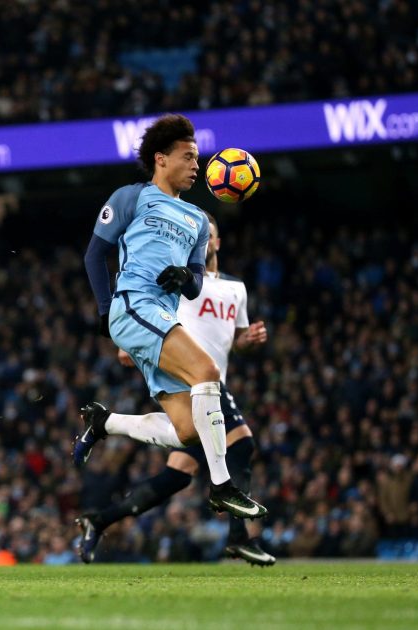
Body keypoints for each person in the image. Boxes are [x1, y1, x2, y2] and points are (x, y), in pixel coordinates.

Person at [79, 113, 266, 521]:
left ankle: (105, 422)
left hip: (162, 313)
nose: (197, 165)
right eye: (189, 156)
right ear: (161, 158)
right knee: (207, 370)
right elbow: (95, 254)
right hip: (133, 306)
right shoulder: (132, 197)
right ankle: (223, 487)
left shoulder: (199, 221)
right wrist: (105, 308)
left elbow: (197, 284)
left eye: (198, 158)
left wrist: (185, 276)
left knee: (188, 432)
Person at [75, 212, 275, 565]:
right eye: (202, 234)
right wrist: (133, 344)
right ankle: (240, 537)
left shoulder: (235, 288)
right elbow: (152, 320)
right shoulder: (181, 286)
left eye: (211, 234)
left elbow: (234, 341)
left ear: (217, 242)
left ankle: (99, 518)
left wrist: (249, 340)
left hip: (213, 390)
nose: (206, 239)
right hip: (190, 380)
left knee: (176, 476)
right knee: (242, 442)